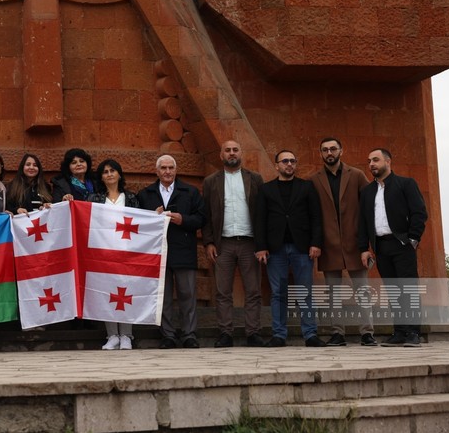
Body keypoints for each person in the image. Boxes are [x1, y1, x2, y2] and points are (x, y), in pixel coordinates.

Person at [309, 137, 376, 347]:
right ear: (320, 153)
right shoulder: (314, 180)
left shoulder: (356, 175)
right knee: (332, 294)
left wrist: (367, 243)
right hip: (328, 244)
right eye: (325, 150)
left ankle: (367, 333)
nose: (329, 153)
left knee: (362, 290)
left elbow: (369, 205)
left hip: (355, 243)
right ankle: (337, 333)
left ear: (341, 151)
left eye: (333, 149)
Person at [255, 150, 326, 348]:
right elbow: (259, 220)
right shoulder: (266, 189)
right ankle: (279, 335)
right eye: (285, 161)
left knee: (305, 292)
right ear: (277, 165)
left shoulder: (307, 187)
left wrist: (316, 243)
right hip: (274, 249)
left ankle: (310, 334)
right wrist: (260, 247)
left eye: (292, 161)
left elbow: (316, 217)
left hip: (302, 248)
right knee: (278, 292)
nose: (289, 164)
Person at [358, 148, 428, 347]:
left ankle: (413, 333)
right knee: (393, 290)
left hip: (403, 244)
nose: (371, 164)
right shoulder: (367, 192)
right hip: (381, 247)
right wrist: (364, 248)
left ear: (388, 162)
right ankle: (399, 332)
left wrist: (413, 239)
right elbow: (362, 222)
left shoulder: (405, 184)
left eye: (376, 160)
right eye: (369, 160)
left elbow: (419, 212)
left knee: (408, 289)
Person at [137, 155, 206, 349]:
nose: (167, 172)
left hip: (184, 249)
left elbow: (201, 218)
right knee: (163, 297)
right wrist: (153, 217)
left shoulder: (190, 192)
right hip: (158, 251)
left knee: (188, 295)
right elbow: (139, 223)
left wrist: (182, 219)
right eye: (163, 168)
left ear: (176, 170)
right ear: (157, 171)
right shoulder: (146, 194)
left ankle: (189, 334)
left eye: (171, 168)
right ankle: (167, 335)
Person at [202, 140, 265, 348]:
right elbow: (207, 216)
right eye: (227, 150)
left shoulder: (255, 179)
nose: (231, 153)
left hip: (250, 243)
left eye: (235, 150)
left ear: (241, 153)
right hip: (223, 243)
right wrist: (209, 242)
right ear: (221, 155)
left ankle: (253, 333)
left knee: (253, 290)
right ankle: (225, 333)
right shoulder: (211, 181)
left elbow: (262, 213)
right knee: (222, 291)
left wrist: (262, 243)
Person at [88, 159, 140, 350]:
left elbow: (142, 224)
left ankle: (127, 335)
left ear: (119, 174)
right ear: (101, 177)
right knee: (107, 292)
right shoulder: (94, 198)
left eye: (113, 170)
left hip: (127, 251)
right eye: (105, 172)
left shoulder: (132, 198)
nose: (109, 174)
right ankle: (112, 336)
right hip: (103, 252)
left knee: (126, 291)